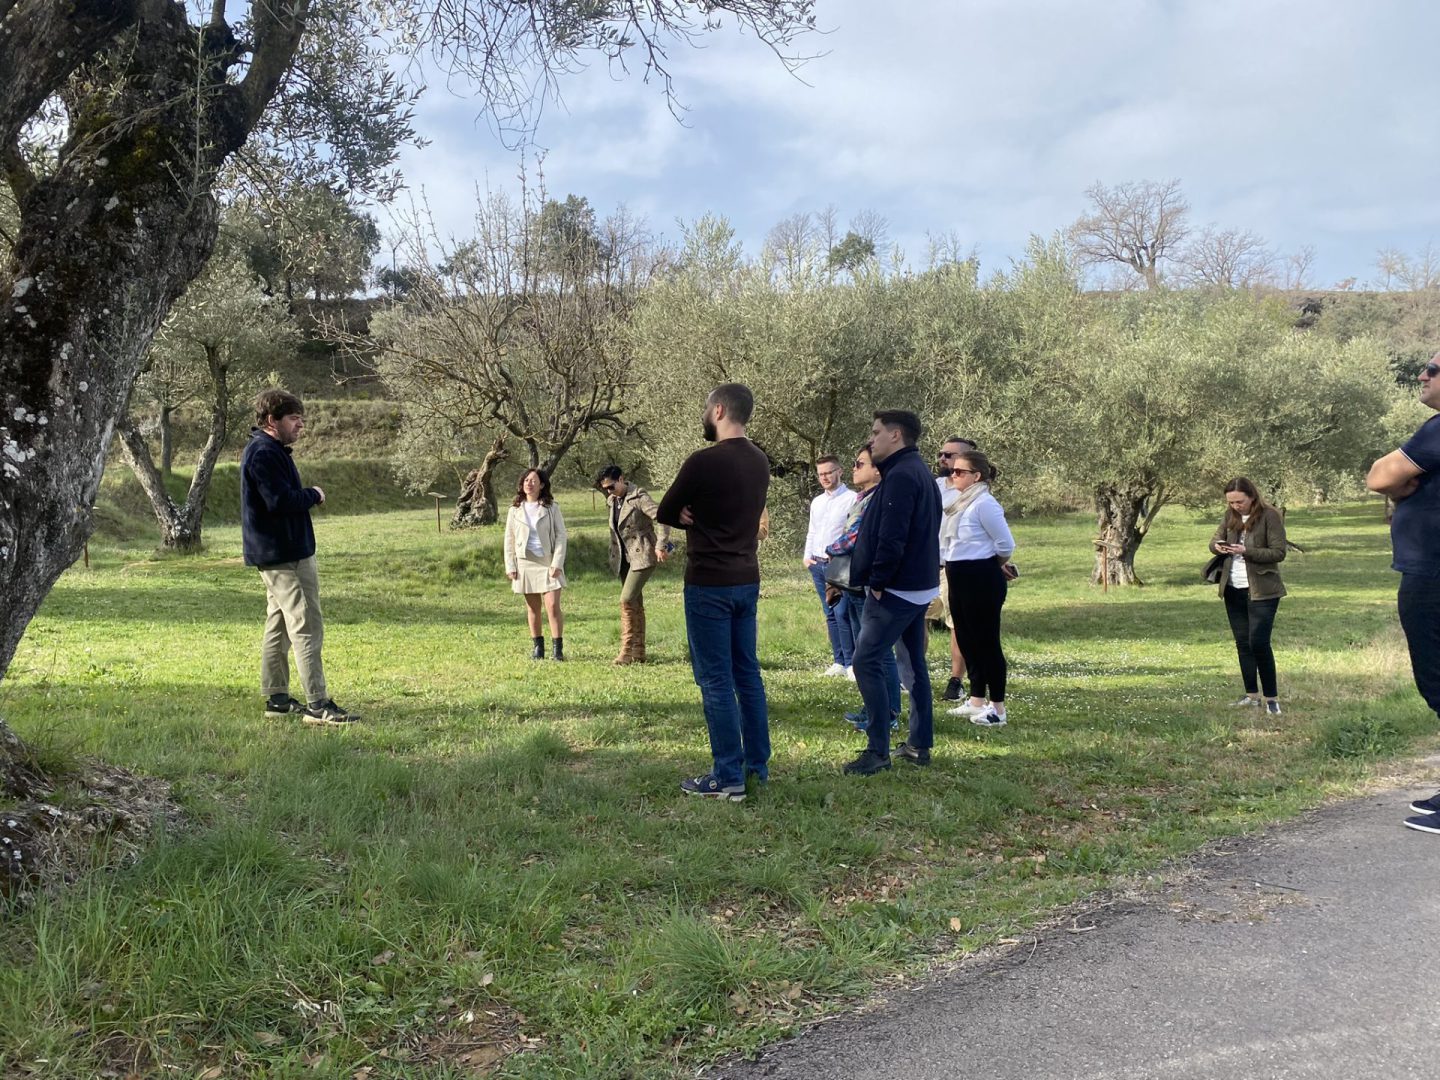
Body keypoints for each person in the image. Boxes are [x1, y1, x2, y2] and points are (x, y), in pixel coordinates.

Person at [657, 383, 771, 801]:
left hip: (709, 582)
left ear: (719, 410)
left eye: (707, 409)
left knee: (717, 680)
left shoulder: (704, 461)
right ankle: (757, 765)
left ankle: (727, 777)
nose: (705, 416)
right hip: (747, 578)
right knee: (748, 673)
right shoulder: (760, 461)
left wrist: (687, 514)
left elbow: (667, 508)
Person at [240, 388, 360, 726]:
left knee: (278, 624)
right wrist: (314, 495)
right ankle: (317, 705)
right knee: (306, 624)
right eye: (294, 418)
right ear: (270, 420)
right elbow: (279, 501)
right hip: (284, 555)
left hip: (282, 551)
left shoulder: (270, 450)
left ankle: (277, 698)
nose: (300, 425)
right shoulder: (263, 453)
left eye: (300, 418)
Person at [1365, 353, 1440, 834]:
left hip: (1433, 574)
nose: (1423, 375)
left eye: (1433, 370)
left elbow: (1378, 476)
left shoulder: (1438, 430)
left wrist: (1399, 487)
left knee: (1436, 678)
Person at [844, 410, 942, 774]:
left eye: (876, 432)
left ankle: (877, 750)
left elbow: (893, 536)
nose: (871, 440)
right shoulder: (919, 471)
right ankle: (919, 744)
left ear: (896, 435)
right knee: (913, 664)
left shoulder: (902, 476)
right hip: (917, 586)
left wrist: (879, 583)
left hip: (897, 590)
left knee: (865, 660)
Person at [825, 445, 902, 732]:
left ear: (877, 470)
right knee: (863, 651)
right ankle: (873, 707)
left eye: (859, 464)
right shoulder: (863, 496)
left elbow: (855, 537)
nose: (855, 468)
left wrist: (829, 549)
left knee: (878, 651)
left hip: (868, 581)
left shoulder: (876, 499)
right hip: (854, 582)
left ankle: (889, 712)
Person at [944, 450, 1016, 727]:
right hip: (958, 573)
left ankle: (997, 708)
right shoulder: (960, 502)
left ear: (977, 476)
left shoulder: (985, 503)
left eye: (960, 472)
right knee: (965, 637)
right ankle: (976, 699)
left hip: (981, 575)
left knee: (986, 641)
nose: (954, 475)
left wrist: (992, 564)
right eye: (953, 470)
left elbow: (1005, 544)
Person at [1207, 477, 1286, 716]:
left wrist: (1246, 551)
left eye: (1239, 501)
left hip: (1263, 590)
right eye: (1231, 502)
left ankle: (1271, 698)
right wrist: (1218, 546)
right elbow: (1213, 540)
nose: (1235, 506)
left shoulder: (1270, 515)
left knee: (1259, 643)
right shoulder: (1229, 515)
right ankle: (1251, 695)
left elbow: (1278, 552)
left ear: (1251, 496)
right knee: (1242, 643)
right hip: (1232, 587)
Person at [596, 465, 670, 665]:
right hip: (623, 558)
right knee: (635, 603)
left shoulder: (639, 497)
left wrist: (661, 545)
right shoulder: (612, 501)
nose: (608, 491)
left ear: (621, 479)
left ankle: (626, 651)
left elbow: (662, 516)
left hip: (643, 554)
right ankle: (639, 651)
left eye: (611, 486)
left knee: (626, 600)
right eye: (605, 488)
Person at [504, 469, 568, 661]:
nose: (529, 483)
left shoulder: (551, 508)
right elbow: (509, 539)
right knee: (533, 608)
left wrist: (557, 562)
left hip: (547, 562)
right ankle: (538, 648)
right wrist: (511, 565)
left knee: (553, 605)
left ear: (542, 485)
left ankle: (557, 649)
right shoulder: (514, 510)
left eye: (533, 480)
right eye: (526, 480)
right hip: (525, 562)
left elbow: (561, 536)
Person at [804, 455, 856, 677]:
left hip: (839, 562)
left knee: (844, 612)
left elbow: (851, 532)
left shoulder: (851, 498)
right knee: (830, 613)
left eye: (828, 472)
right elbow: (812, 530)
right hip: (817, 563)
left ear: (839, 471)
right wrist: (807, 557)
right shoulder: (817, 501)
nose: (825, 477)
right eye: (821, 474)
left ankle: (852, 662)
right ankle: (839, 661)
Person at [935, 436, 976, 701]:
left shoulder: (973, 493)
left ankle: (956, 680)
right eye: (941, 454)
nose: (942, 459)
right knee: (917, 620)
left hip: (953, 564)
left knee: (956, 624)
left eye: (949, 455)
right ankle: (910, 675)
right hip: (925, 562)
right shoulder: (933, 485)